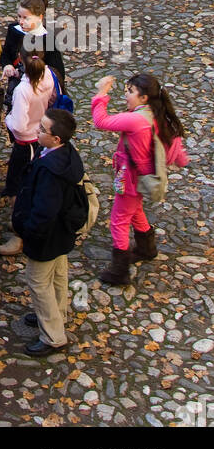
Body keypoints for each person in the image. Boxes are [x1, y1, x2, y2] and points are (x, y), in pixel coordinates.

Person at [91, 72, 189, 285]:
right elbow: (177, 150)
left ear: (144, 98)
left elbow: (101, 121)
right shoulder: (157, 115)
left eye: (130, 91)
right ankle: (146, 248)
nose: (126, 95)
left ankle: (120, 270)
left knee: (119, 220)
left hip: (129, 179)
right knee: (134, 209)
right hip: (141, 177)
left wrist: (102, 93)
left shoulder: (136, 119)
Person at [12, 108, 86, 356]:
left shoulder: (50, 171)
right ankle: (57, 314)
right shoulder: (66, 156)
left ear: (56, 139)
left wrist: (29, 233)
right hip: (60, 233)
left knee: (38, 283)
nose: (37, 130)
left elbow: (44, 210)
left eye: (42, 129)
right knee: (57, 275)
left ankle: (53, 336)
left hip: (46, 236)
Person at [0, 52, 59, 256]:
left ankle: (19, 229)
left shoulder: (23, 90)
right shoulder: (48, 75)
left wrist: (8, 120)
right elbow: (53, 98)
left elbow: (20, 125)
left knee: (18, 186)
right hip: (38, 137)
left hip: (26, 142)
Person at [0, 0, 66, 93]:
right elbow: (6, 53)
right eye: (19, 16)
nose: (21, 22)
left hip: (38, 88)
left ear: (40, 17)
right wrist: (7, 65)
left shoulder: (47, 39)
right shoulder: (14, 30)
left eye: (26, 18)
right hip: (16, 84)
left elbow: (58, 72)